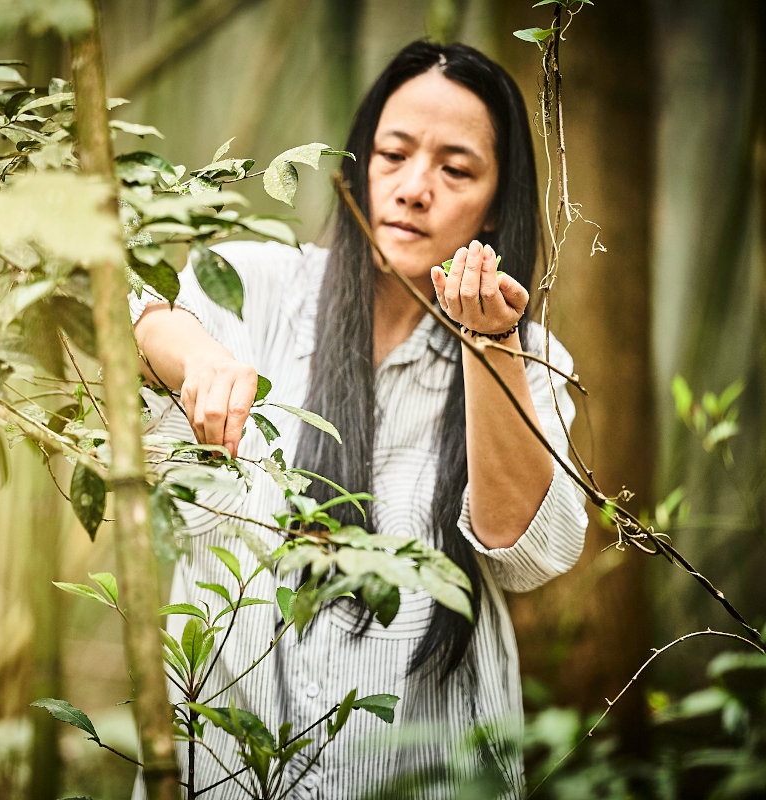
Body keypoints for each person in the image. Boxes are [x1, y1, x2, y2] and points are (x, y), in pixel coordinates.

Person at [131, 41, 588, 798]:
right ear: (356, 167)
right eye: (394, 154)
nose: (414, 189)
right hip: (221, 771)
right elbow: (136, 320)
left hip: (428, 775)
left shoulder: (533, 359)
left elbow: (525, 555)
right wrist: (200, 360)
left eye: (456, 169)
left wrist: (489, 346)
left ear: (499, 199)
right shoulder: (253, 286)